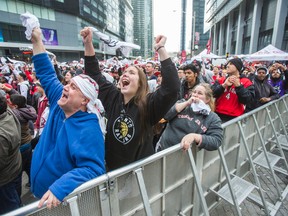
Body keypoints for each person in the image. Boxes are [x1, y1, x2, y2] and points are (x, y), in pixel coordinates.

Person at [81, 27, 180, 170]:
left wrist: (161, 49)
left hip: (139, 176)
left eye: (132, 73)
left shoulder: (148, 104)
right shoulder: (113, 97)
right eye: (125, 72)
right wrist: (88, 44)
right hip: (112, 172)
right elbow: (94, 75)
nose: (125, 74)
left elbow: (172, 87)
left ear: (141, 83)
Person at [30, 27, 105, 209]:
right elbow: (47, 74)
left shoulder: (89, 129)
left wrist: (60, 188)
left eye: (73, 87)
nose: (65, 88)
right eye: (68, 84)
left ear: (84, 100)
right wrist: (36, 41)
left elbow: (93, 169)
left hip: (58, 202)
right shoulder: (58, 102)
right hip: (39, 194)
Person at [155, 83, 223, 152]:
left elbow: (217, 141)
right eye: (194, 92)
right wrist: (187, 103)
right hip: (163, 149)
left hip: (184, 157)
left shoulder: (212, 117)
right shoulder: (182, 103)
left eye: (200, 93)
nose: (195, 95)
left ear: (207, 99)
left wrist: (195, 136)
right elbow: (166, 116)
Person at [212, 58, 255, 122]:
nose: (227, 66)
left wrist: (239, 87)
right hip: (217, 114)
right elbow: (212, 93)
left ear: (238, 67)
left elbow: (248, 100)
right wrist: (223, 85)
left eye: (231, 64)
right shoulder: (221, 80)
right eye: (227, 64)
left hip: (235, 117)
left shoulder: (246, 82)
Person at [0, 95, 22, 214]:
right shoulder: (7, 110)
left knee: (10, 210)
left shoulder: (1, 135)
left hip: (5, 180)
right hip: (15, 168)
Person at [9, 94, 37, 188]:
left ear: (15, 106)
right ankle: (33, 183)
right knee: (29, 166)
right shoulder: (27, 110)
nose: (7, 103)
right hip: (27, 143)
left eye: (10, 102)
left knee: (18, 171)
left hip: (20, 147)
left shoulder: (15, 115)